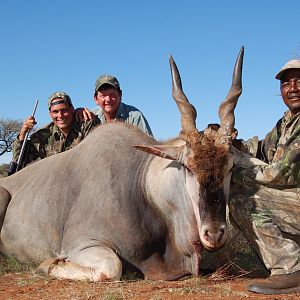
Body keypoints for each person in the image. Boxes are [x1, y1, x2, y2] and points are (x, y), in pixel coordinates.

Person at [229, 59, 300, 295]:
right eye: (286, 83)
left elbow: (280, 174)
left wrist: (236, 174)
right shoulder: (286, 123)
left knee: (242, 199)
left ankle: (290, 269)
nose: (293, 88)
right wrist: (231, 143)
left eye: (299, 81)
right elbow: (261, 149)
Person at [12, 91, 100, 169]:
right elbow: (19, 162)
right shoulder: (40, 136)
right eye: (55, 112)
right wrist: (22, 133)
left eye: (64, 110)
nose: (60, 115)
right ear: (50, 114)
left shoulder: (87, 125)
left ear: (72, 109)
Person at [77, 74, 152, 136]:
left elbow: (148, 148)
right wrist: (77, 112)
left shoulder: (135, 117)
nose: (108, 100)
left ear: (120, 95)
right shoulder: (91, 116)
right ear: (96, 99)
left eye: (112, 95)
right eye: (103, 96)